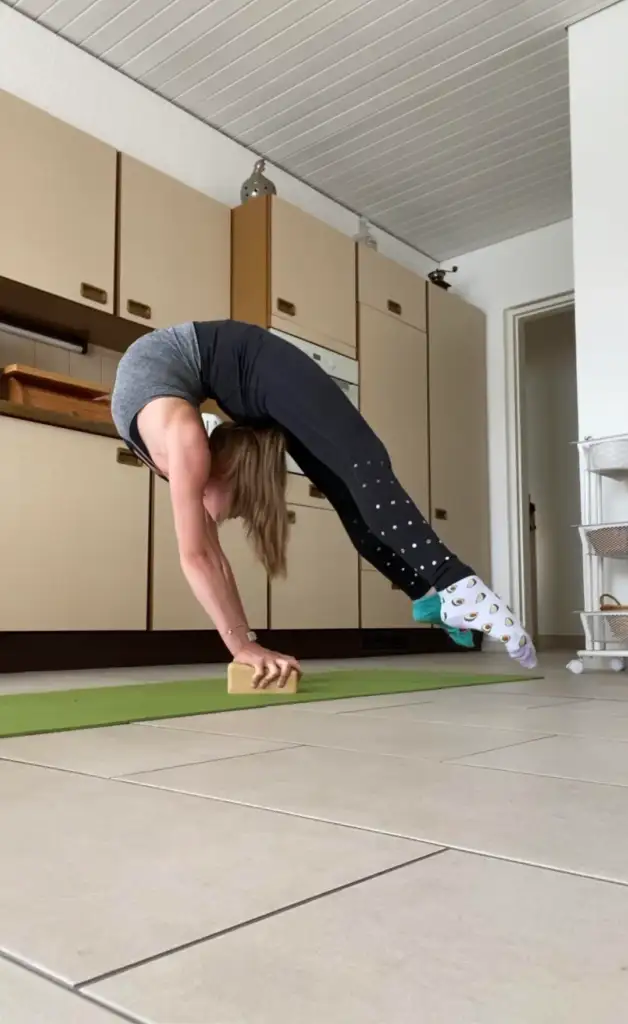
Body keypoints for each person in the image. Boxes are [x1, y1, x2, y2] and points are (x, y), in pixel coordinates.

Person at [111, 320, 536, 688]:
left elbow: (203, 556)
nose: (236, 515)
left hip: (247, 359)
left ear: (223, 471)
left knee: (361, 460)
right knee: (346, 496)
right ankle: (431, 595)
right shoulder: (185, 450)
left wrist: (243, 643)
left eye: (241, 503)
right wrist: (244, 645)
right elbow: (205, 557)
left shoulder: (186, 446)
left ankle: (455, 585)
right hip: (216, 376)